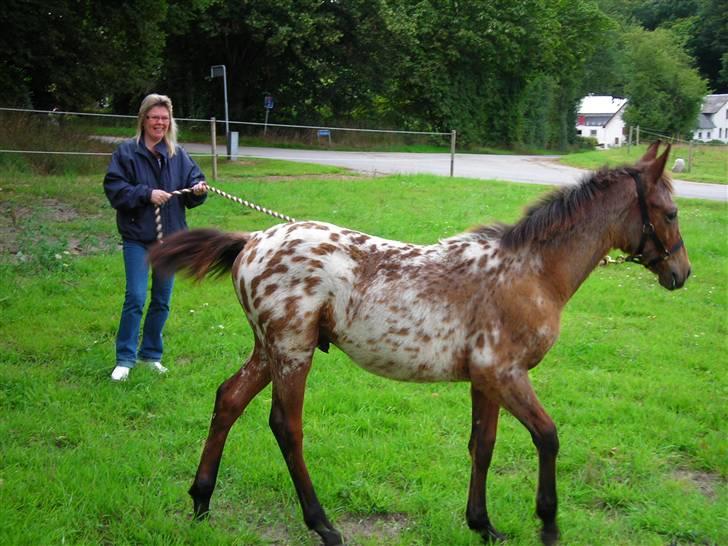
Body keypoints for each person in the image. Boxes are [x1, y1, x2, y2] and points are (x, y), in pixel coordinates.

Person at [103, 93, 208, 381]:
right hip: (138, 236)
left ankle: (151, 354)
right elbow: (115, 189)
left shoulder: (178, 154)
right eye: (154, 117)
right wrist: (146, 194)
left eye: (164, 118)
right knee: (135, 297)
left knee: (162, 300)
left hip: (170, 239)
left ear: (169, 121)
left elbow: (194, 185)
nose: (159, 123)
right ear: (144, 119)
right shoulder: (126, 153)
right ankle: (125, 358)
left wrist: (199, 189)